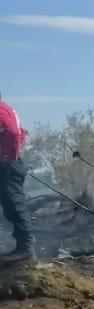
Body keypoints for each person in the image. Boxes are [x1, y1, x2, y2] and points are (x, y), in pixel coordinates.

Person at [0, 95, 34, 265]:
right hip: (7, 164)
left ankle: (25, 249)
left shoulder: (1, 110)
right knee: (9, 206)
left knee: (14, 204)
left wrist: (10, 156)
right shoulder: (5, 109)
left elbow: (14, 132)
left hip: (8, 165)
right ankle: (22, 248)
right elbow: (20, 131)